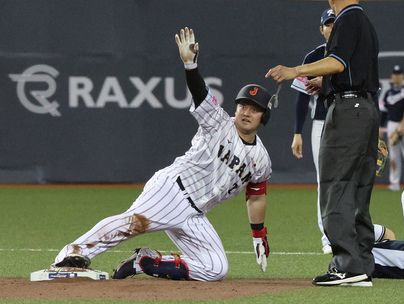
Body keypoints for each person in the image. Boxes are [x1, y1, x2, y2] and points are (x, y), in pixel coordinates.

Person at [51, 27, 274, 281]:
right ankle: (71, 255)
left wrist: (259, 234)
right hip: (173, 190)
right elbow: (200, 92)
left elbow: (256, 197)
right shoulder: (218, 122)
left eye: (254, 109)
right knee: (133, 224)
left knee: (215, 269)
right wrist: (190, 65)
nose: (246, 112)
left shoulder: (261, 159)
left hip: (195, 213)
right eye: (243, 105)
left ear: (263, 116)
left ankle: (145, 261)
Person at [266, 0, 380, 287]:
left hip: (348, 110)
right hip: (365, 108)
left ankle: (347, 266)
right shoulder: (363, 20)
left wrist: (295, 70)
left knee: (336, 184)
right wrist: (326, 83)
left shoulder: (347, 18)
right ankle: (363, 263)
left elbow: (337, 62)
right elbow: (351, 68)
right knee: (358, 186)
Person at [290, 8, 336, 255]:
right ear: (321, 29)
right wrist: (297, 132)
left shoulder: (351, 54)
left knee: (349, 179)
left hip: (348, 122)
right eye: (328, 24)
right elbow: (299, 97)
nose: (331, 27)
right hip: (321, 122)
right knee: (325, 179)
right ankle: (327, 235)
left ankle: (351, 231)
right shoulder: (313, 57)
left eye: (335, 22)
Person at [379, 65, 404, 191]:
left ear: (403, 76)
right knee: (394, 156)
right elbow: (384, 112)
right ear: (392, 77)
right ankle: (394, 183)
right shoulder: (388, 93)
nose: (396, 77)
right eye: (394, 74)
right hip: (392, 124)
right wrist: (381, 127)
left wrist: (402, 125)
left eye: (399, 74)